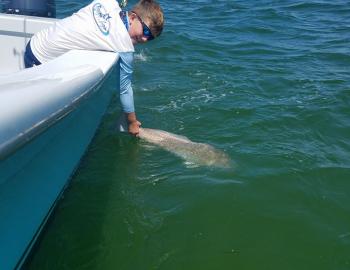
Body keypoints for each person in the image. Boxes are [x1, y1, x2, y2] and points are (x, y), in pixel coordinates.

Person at [24, 0, 164, 136]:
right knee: (40, 113)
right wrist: (132, 121)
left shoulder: (108, 3)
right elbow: (125, 89)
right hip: (40, 61)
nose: (145, 40)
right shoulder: (124, 45)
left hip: (36, 41)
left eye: (150, 38)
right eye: (146, 31)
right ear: (133, 17)